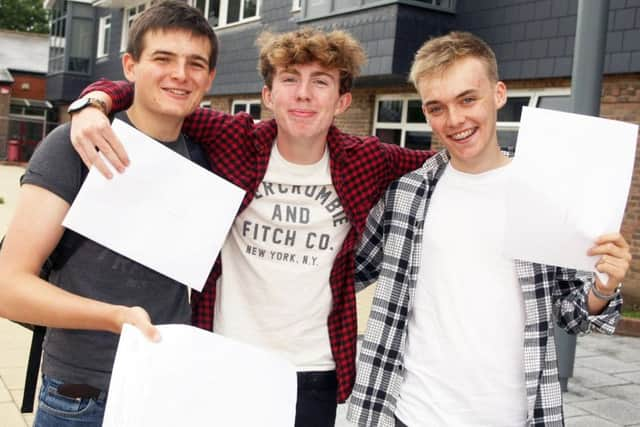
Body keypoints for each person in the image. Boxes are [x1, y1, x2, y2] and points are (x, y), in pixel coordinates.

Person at [67, 27, 435, 426]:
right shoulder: (234, 139)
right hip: (225, 357)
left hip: (314, 372)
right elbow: (153, 94)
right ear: (268, 95)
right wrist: (92, 103)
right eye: (290, 79)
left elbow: (443, 164)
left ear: (342, 100)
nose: (303, 94)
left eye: (321, 82)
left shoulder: (367, 160)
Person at [346, 31, 631, 427]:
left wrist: (603, 284)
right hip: (407, 414)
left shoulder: (547, 195)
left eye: (468, 99)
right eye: (437, 107)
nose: (455, 120)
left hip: (510, 416)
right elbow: (341, 274)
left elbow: (573, 314)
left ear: (498, 94)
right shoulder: (406, 194)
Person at [0, 2, 217, 425]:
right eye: (163, 58)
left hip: (166, 387)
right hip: (83, 397)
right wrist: (116, 317)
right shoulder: (75, 145)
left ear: (210, 78)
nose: (180, 74)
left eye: (195, 63)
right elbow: (8, 288)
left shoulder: (204, 159)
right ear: (130, 65)